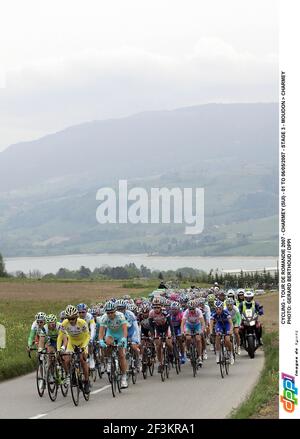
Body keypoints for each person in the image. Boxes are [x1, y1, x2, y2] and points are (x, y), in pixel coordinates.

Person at [57, 305, 91, 394]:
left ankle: (87, 381)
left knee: (82, 360)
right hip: (72, 343)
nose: (71, 321)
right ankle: (72, 375)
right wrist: (58, 349)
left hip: (83, 342)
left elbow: (87, 336)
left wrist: (84, 347)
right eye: (69, 319)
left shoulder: (82, 322)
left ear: (76, 317)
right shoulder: (64, 323)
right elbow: (60, 336)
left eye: (73, 318)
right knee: (66, 360)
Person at [98, 301, 128, 389]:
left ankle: (124, 377)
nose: (110, 314)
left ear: (115, 311)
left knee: (122, 355)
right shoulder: (104, 318)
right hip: (110, 333)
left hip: (121, 334)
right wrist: (100, 341)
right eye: (108, 313)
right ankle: (110, 360)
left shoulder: (120, 316)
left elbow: (125, 330)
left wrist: (124, 338)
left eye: (112, 312)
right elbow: (101, 332)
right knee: (107, 343)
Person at [149, 296, 174, 373]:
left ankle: (170, 353)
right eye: (154, 307)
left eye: (158, 307)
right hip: (158, 329)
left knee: (169, 343)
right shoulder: (151, 313)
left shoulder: (165, 312)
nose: (156, 309)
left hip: (166, 328)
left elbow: (170, 323)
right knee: (158, 345)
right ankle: (160, 363)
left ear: (161, 307)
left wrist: (172, 334)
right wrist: (153, 335)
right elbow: (151, 326)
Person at [116, 299, 141, 372]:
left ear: (125, 308)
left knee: (134, 347)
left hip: (131, 333)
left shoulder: (130, 314)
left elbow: (136, 327)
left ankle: (137, 360)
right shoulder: (114, 316)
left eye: (122, 309)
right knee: (122, 349)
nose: (120, 311)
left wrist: (138, 340)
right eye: (118, 309)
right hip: (121, 334)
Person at [181, 300, 205, 366]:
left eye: (193, 309)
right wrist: (183, 332)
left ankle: (200, 357)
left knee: (198, 339)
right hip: (188, 325)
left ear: (195, 308)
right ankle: (188, 350)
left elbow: (202, 322)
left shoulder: (198, 311)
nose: (192, 310)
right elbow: (182, 323)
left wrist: (202, 331)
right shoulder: (186, 312)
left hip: (197, 325)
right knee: (188, 338)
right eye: (190, 309)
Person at [210, 300, 234, 365]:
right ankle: (217, 354)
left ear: (222, 308)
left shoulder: (226, 313)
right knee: (217, 336)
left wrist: (231, 330)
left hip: (227, 325)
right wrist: (211, 332)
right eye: (216, 309)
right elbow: (211, 324)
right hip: (219, 325)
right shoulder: (213, 313)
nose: (218, 311)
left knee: (227, 340)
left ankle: (231, 354)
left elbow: (231, 323)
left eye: (220, 309)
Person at [76, 303, 96, 370]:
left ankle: (91, 357)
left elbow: (93, 328)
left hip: (89, 332)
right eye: (79, 312)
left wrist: (91, 338)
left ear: (86, 311)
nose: (81, 314)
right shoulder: (76, 317)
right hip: (80, 333)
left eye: (83, 312)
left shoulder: (90, 316)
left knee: (90, 343)